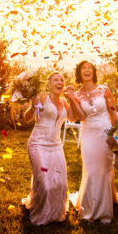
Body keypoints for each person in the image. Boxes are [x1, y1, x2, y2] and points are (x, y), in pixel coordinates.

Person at [65, 60, 118, 223]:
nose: (87, 70)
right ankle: (88, 208)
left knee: (103, 169)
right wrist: (71, 98)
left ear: (94, 72)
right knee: (90, 169)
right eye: (83, 68)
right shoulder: (76, 94)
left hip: (105, 132)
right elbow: (79, 117)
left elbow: (114, 113)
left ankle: (103, 209)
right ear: (79, 73)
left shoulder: (104, 89)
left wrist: (115, 135)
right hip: (88, 134)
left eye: (90, 68)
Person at [22, 72, 73, 225]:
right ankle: (40, 211)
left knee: (61, 183)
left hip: (56, 146)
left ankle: (56, 212)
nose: (59, 82)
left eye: (61, 80)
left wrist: (73, 99)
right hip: (38, 143)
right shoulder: (43, 97)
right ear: (49, 84)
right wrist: (34, 105)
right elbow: (27, 118)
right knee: (44, 181)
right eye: (55, 80)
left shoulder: (64, 102)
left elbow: (73, 118)